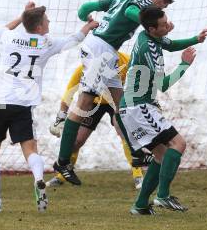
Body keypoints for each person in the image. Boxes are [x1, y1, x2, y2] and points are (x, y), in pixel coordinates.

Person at [0, 1, 97, 213]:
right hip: (23, 105)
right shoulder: (45, 43)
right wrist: (88, 26)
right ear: (40, 28)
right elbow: (74, 39)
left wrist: (22, 14)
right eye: (46, 20)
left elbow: (4, 29)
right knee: (30, 148)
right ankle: (38, 179)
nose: (49, 21)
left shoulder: (10, 38)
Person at [53, 0, 175, 184]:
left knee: (122, 106)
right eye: (162, 7)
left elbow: (86, 8)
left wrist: (87, 19)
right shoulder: (144, 3)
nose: (160, 12)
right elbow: (131, 11)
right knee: (84, 102)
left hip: (103, 50)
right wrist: (149, 23)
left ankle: (137, 153)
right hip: (100, 51)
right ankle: (63, 162)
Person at [117, 6, 207, 215]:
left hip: (135, 106)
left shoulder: (147, 36)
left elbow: (170, 44)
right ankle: (163, 196)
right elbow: (164, 84)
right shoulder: (148, 49)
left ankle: (140, 206)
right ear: (152, 29)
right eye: (164, 24)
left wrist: (196, 39)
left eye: (167, 20)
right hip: (137, 107)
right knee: (178, 143)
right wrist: (184, 65)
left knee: (161, 156)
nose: (169, 25)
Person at [46, 51, 147, 189]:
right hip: (93, 102)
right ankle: (62, 175)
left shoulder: (127, 61)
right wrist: (61, 116)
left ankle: (138, 174)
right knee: (76, 141)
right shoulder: (84, 68)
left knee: (123, 130)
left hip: (119, 100)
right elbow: (69, 92)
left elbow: (142, 81)